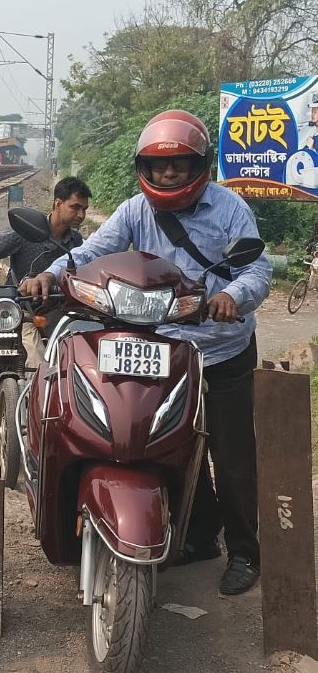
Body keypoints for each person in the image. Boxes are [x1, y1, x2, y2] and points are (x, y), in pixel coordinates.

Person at [21, 109, 272, 596]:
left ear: (200, 164)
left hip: (220, 351)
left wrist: (231, 298)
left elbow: (257, 270)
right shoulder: (136, 210)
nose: (169, 174)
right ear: (146, 169)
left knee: (230, 452)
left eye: (180, 164)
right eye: (160, 166)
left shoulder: (230, 209)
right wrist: (52, 274)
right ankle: (198, 538)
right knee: (166, 436)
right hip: (161, 345)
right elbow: (92, 250)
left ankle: (245, 551)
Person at [0, 176, 90, 365]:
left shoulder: (77, 242)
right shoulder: (27, 230)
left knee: (77, 356)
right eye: (75, 207)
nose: (81, 215)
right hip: (19, 311)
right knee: (36, 361)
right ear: (58, 204)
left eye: (84, 209)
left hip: (57, 312)